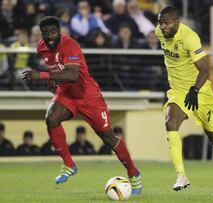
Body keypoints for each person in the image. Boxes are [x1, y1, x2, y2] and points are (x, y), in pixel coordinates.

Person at [21, 16, 142, 194]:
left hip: (88, 95)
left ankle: (133, 172)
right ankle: (69, 164)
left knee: (108, 138)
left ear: (59, 31)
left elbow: (73, 75)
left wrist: (42, 76)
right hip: (67, 93)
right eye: (45, 33)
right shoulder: (41, 47)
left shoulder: (70, 45)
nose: (49, 35)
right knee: (51, 119)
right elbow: (55, 66)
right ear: (42, 34)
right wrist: (51, 79)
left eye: (53, 31)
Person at [156, 7, 213, 191]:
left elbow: (205, 68)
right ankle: (181, 176)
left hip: (200, 92)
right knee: (170, 122)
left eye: (166, 23)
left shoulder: (190, 37)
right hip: (178, 92)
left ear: (177, 22)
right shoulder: (160, 33)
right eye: (160, 23)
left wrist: (195, 90)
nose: (162, 27)